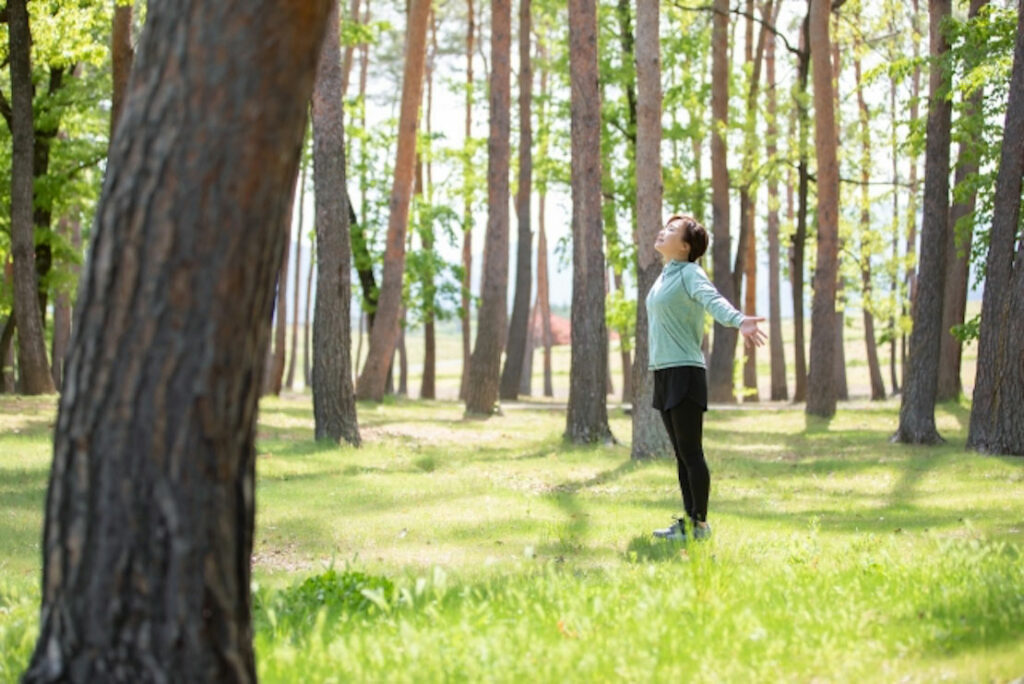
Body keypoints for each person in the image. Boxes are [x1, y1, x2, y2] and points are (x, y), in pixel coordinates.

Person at [647, 214, 766, 542]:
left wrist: (739, 320)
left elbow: (712, 301)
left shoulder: (689, 273)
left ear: (685, 247)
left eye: (672, 230)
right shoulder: (666, 274)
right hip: (665, 371)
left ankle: (700, 526)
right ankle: (689, 522)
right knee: (681, 454)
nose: (663, 231)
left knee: (691, 452)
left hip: (685, 371)